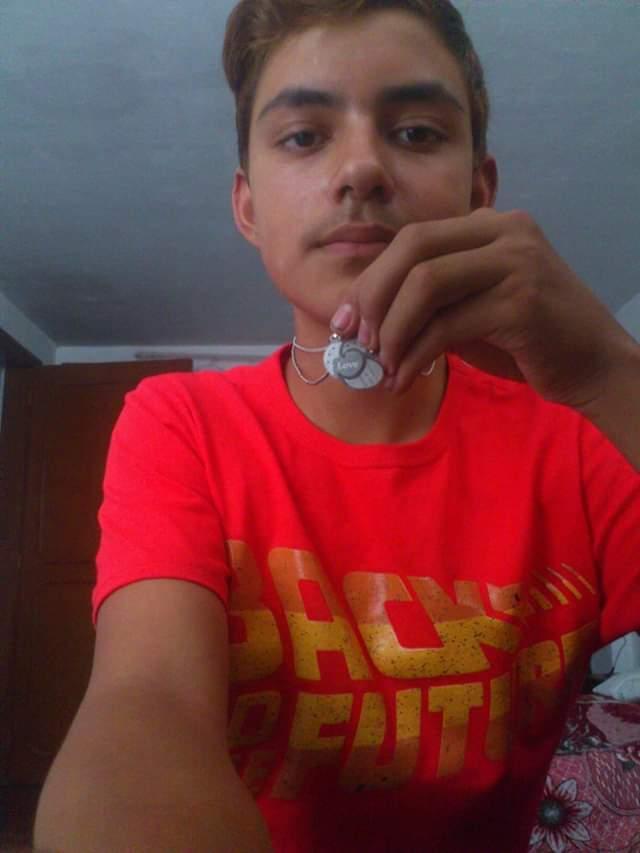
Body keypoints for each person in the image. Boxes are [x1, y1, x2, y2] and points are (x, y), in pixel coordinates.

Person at [34, 1, 640, 851]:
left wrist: (611, 371)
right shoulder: (181, 424)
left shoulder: (578, 437)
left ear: (479, 193)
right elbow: (145, 704)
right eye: (303, 136)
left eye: (417, 132)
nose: (361, 168)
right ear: (248, 207)